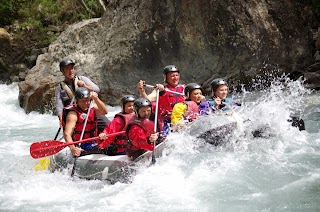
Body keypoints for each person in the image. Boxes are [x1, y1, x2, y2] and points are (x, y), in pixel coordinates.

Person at [55, 58, 109, 133]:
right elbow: (59, 105)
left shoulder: (82, 79)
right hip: (74, 114)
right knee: (69, 131)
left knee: (108, 125)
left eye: (72, 68)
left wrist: (84, 85)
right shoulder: (59, 88)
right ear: (62, 71)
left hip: (89, 110)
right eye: (67, 69)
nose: (70, 71)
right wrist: (61, 120)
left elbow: (97, 89)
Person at [137, 65, 185, 134]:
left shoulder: (184, 89)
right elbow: (147, 100)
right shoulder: (160, 90)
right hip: (166, 121)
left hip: (181, 118)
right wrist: (142, 90)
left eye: (176, 75)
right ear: (166, 78)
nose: (175, 78)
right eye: (172, 76)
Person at [63, 87, 108, 157]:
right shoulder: (73, 114)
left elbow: (104, 112)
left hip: (93, 143)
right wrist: (73, 148)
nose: (86, 103)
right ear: (77, 101)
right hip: (80, 146)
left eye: (87, 100)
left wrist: (96, 99)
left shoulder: (92, 108)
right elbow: (67, 134)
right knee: (103, 149)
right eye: (82, 101)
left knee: (110, 146)